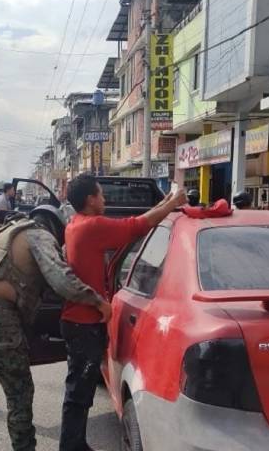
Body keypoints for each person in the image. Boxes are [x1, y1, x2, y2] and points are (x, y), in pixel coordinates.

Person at [0, 206, 113, 451]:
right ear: (54, 226)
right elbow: (61, 278)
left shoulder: (5, 231)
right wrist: (97, 301)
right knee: (20, 393)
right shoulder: (39, 236)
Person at [59, 174, 187, 451]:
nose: (105, 199)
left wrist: (167, 202)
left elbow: (135, 224)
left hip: (78, 321)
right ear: (91, 200)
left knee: (79, 390)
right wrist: (172, 202)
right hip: (83, 323)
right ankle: (71, 446)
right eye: (101, 195)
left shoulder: (76, 224)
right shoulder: (92, 226)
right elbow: (136, 226)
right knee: (78, 392)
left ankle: (74, 444)